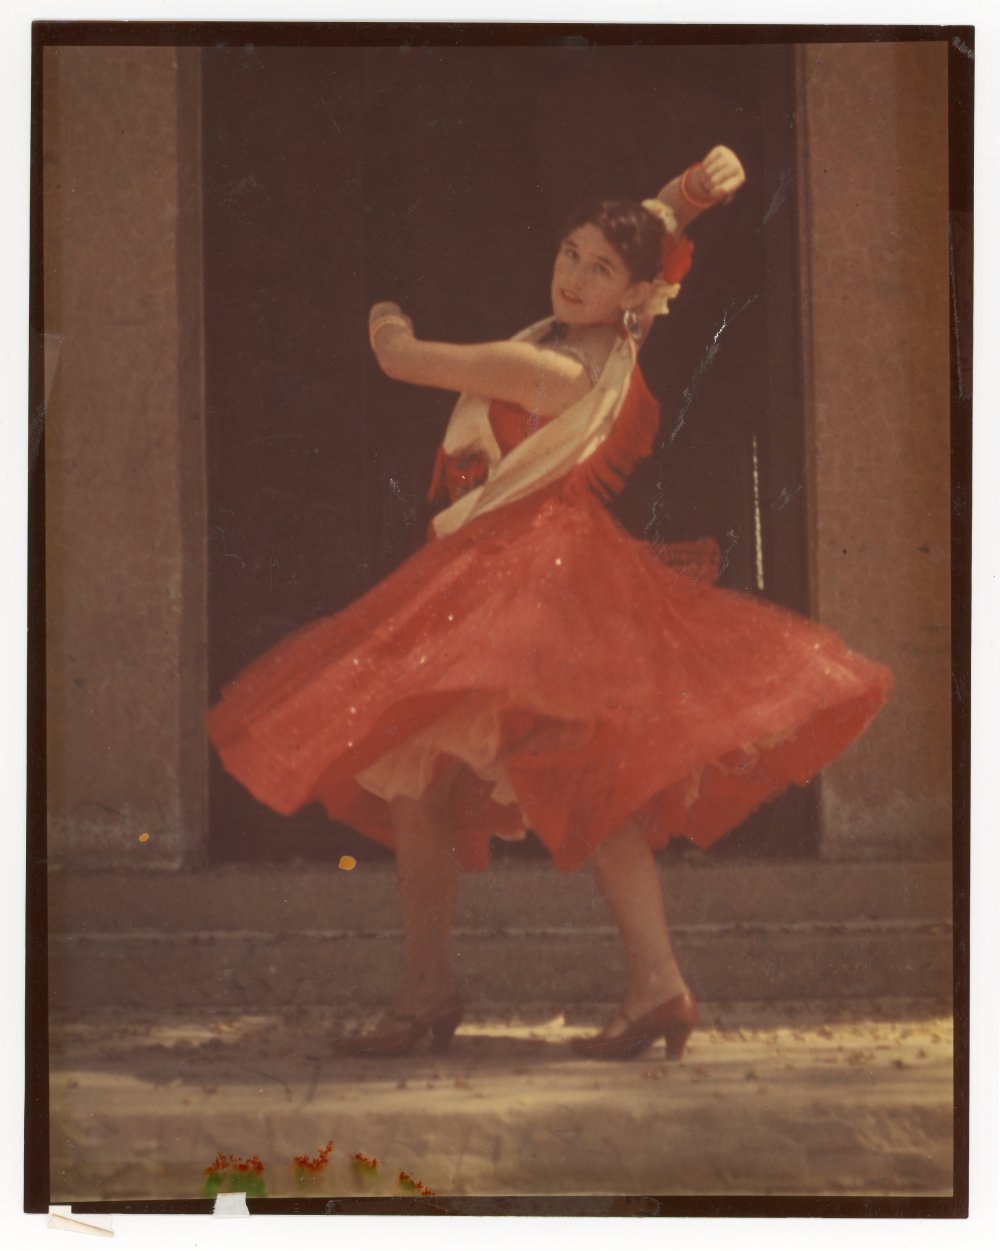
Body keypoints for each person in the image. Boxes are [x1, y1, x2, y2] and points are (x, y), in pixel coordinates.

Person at [207, 146, 892, 1063]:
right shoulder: (613, 347)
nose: (574, 276)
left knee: (454, 775)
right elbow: (648, 234)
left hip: (518, 586)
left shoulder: (558, 371)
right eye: (569, 253)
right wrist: (683, 199)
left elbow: (400, 359)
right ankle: (637, 985)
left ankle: (446, 988)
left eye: (598, 269)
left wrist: (382, 305)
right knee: (512, 780)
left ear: (633, 293)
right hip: (538, 581)